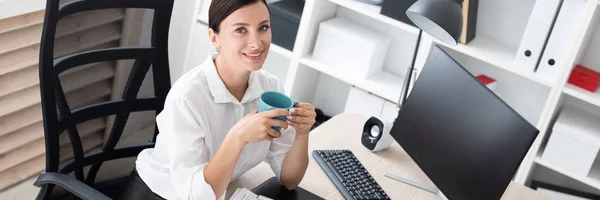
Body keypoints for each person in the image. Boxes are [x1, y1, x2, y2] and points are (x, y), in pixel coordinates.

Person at [120, 0, 316, 199]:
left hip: (220, 189)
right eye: (240, 30)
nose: (257, 43)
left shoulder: (270, 87)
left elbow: (290, 180)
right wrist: (237, 137)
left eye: (263, 27)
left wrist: (302, 134)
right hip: (159, 193)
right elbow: (194, 196)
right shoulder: (187, 97)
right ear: (214, 38)